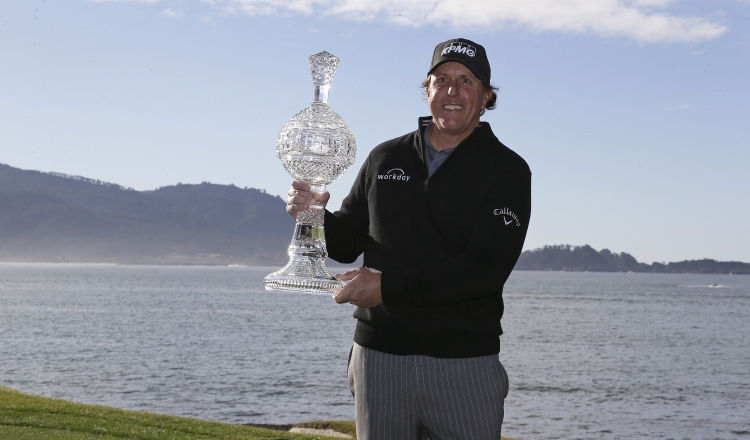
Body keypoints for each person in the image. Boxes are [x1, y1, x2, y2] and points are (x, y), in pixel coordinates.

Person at [286, 38, 531, 440]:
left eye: (466, 81)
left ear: (486, 96)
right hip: (379, 356)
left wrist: (386, 287)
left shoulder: (507, 171)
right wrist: (314, 217)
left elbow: (484, 271)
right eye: (442, 79)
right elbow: (348, 242)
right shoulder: (386, 157)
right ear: (427, 90)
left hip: (462, 361)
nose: (452, 91)